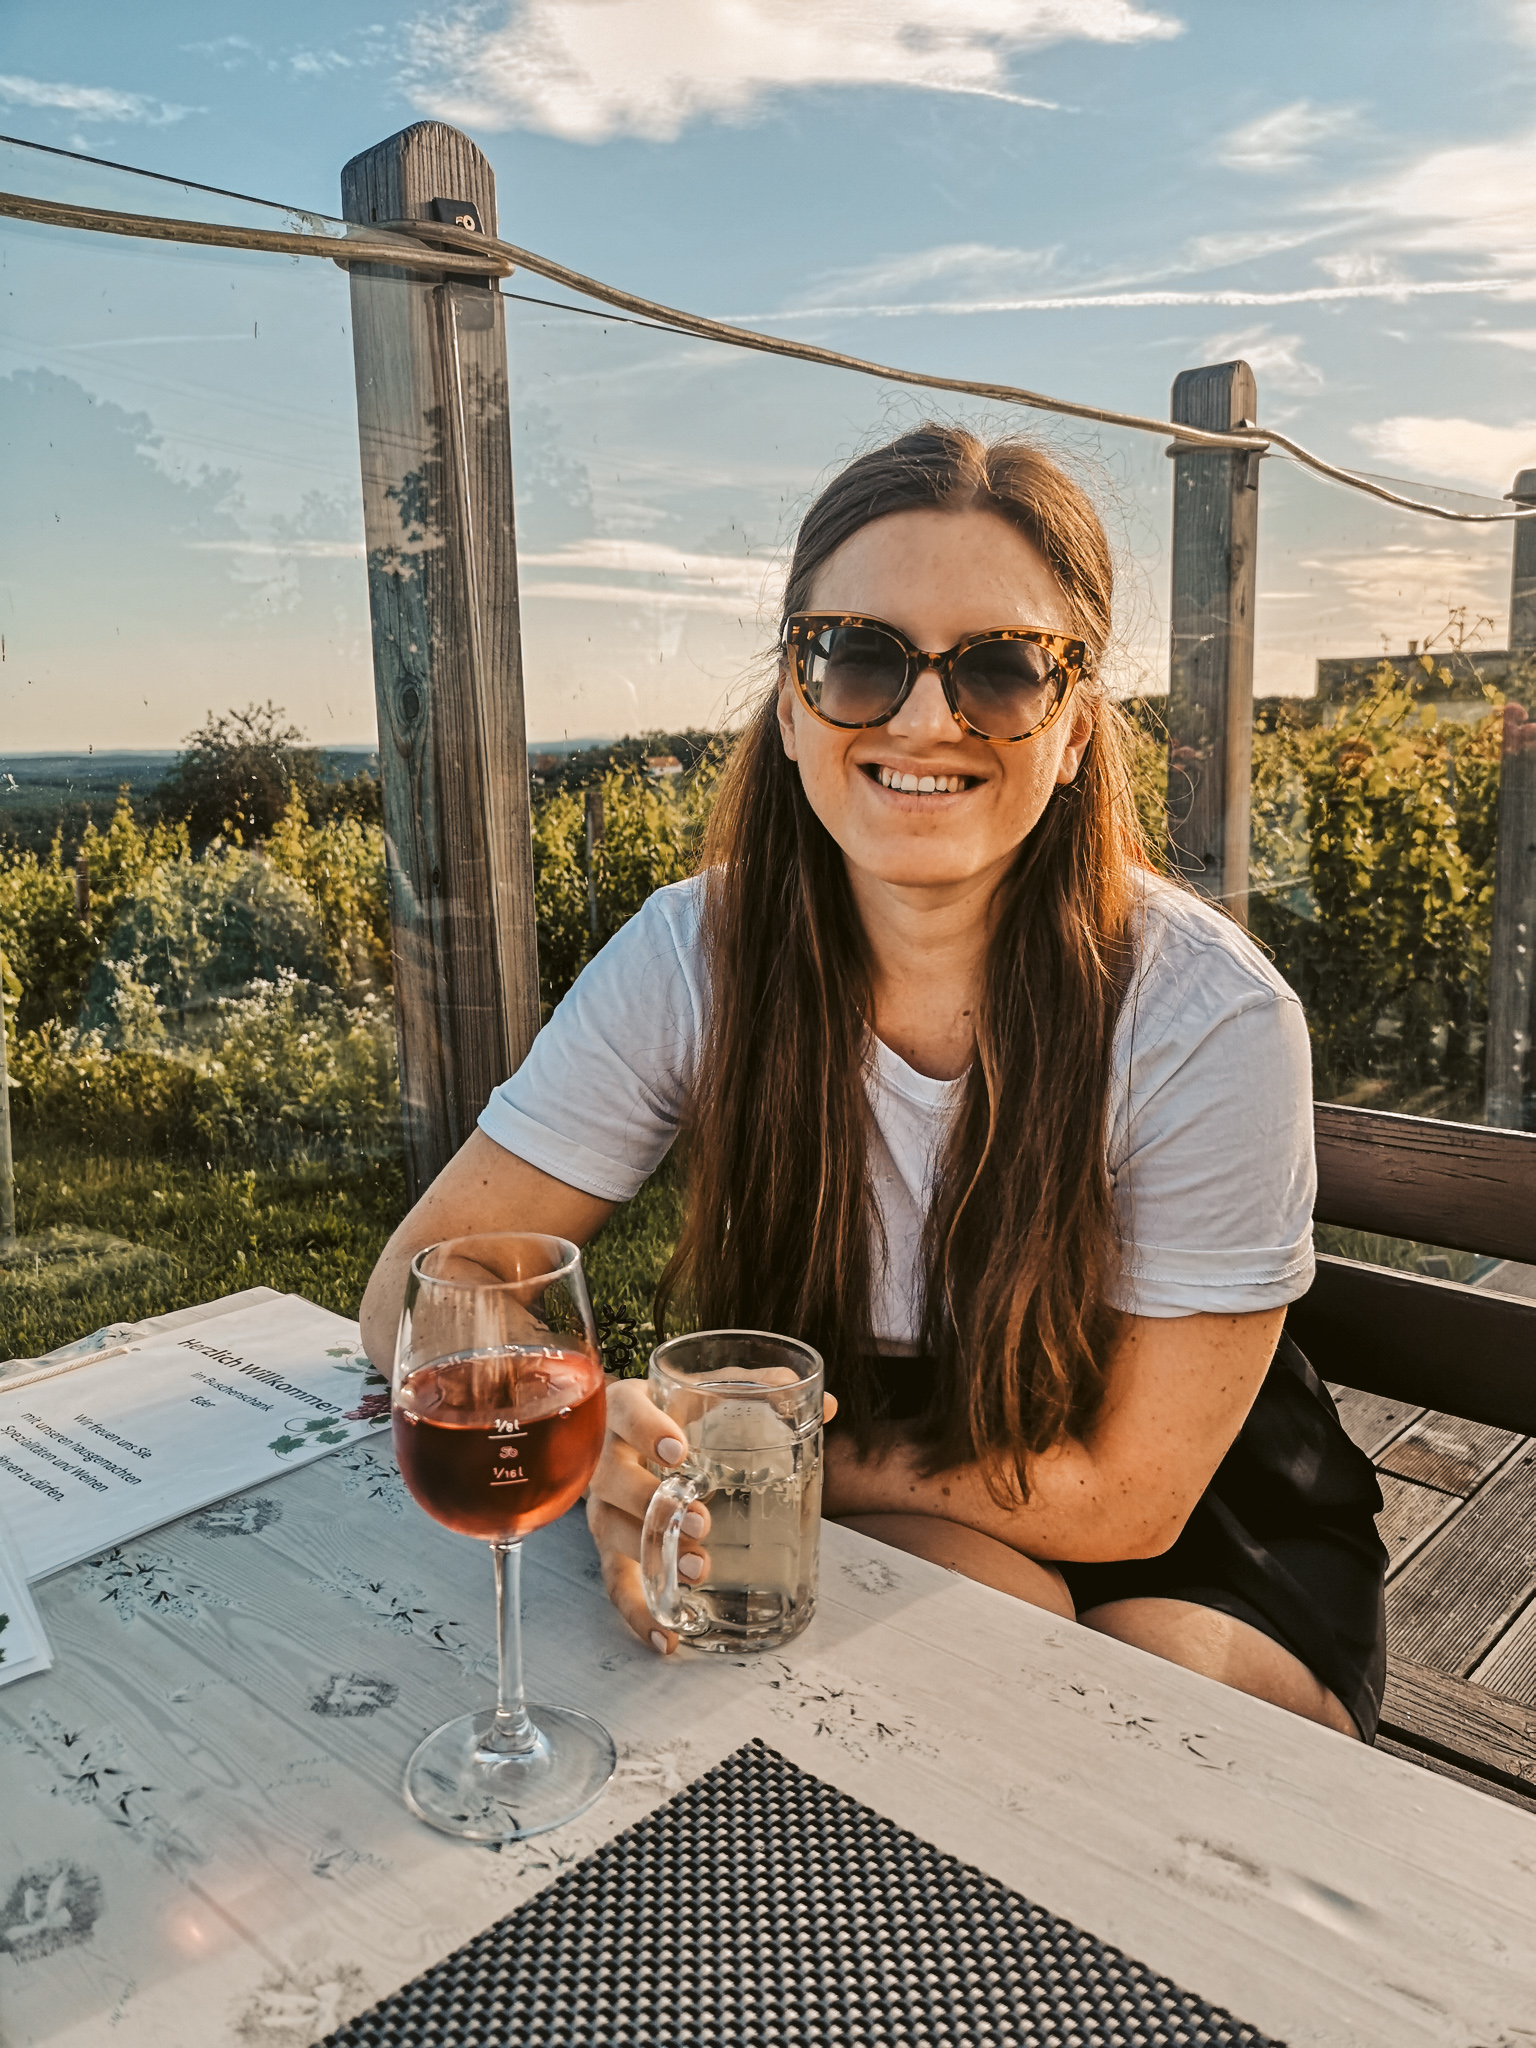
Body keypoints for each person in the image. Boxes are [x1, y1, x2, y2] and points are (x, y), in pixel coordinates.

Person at [360, 425, 1387, 1743]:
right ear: (793, 704)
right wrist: (609, 1438)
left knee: (1123, 1718)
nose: (922, 718)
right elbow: (416, 1294)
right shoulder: (694, 955)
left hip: (1193, 1515)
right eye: (859, 655)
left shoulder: (1204, 1014)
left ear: (1072, 729)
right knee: (872, 1698)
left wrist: (747, 1462)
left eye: (1004, 671)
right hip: (886, 1486)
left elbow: (1132, 1495)